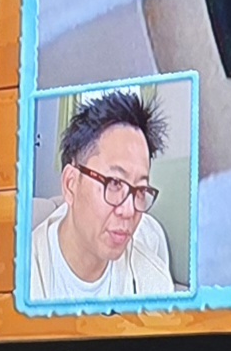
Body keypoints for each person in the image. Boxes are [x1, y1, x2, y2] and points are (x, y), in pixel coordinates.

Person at [28, 91, 178, 301]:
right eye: (114, 183)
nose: (129, 211)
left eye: (140, 190)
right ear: (71, 185)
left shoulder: (155, 284)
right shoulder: (22, 276)